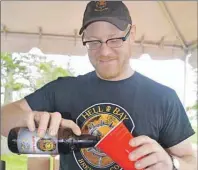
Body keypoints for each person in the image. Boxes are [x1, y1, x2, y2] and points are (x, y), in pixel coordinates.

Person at [1, 1, 196, 170]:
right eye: (94, 41)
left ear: (132, 34)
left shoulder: (163, 98)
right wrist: (30, 119)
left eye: (114, 39)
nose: (104, 51)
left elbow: (191, 160)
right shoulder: (62, 89)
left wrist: (172, 164)